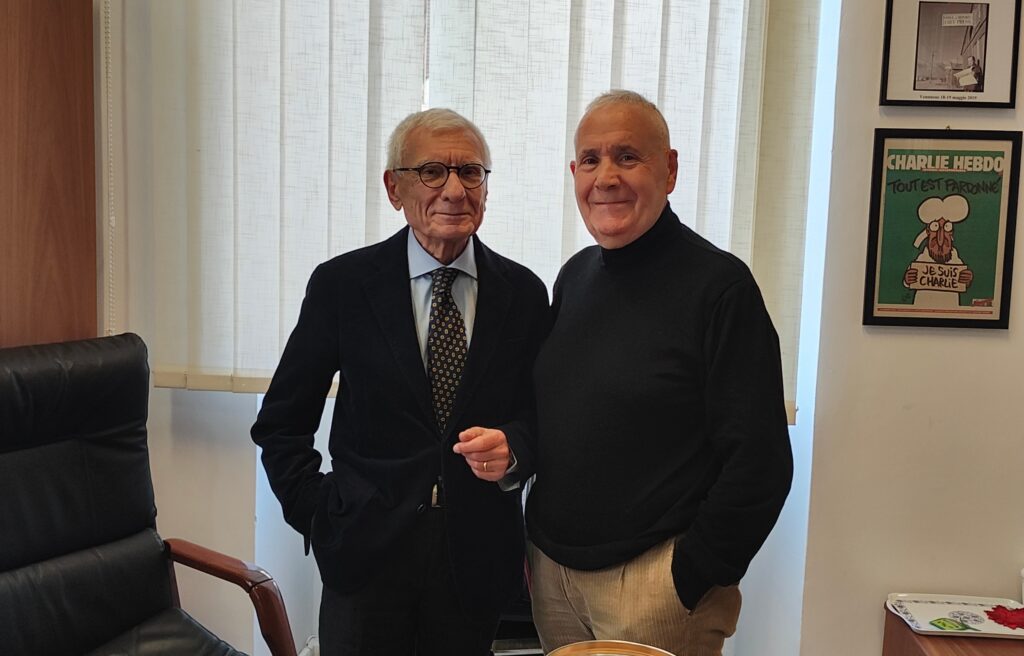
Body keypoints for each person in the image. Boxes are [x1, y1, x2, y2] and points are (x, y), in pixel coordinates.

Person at [252, 108, 548, 656]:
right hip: (364, 554)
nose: (454, 190)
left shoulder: (524, 294)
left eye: (471, 172)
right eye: (432, 171)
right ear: (394, 188)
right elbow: (281, 422)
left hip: (475, 559)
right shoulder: (343, 285)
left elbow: (540, 417)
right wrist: (319, 515)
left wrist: (515, 449)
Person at [524, 90, 794, 656]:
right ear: (574, 174)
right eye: (591, 160)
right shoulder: (574, 277)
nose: (606, 177)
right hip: (555, 577)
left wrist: (689, 577)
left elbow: (760, 462)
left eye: (628, 157)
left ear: (669, 170)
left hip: (654, 586)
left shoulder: (721, 289)